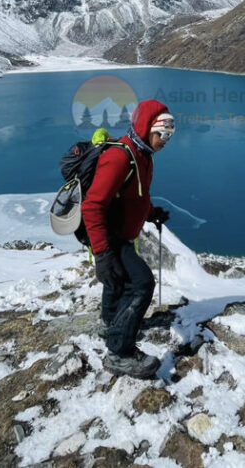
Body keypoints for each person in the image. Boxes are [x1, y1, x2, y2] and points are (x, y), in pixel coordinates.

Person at [81, 99, 174, 379]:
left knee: (118, 281)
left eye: (170, 135)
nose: (166, 141)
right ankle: (119, 353)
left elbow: (136, 196)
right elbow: (92, 205)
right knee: (142, 283)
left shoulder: (143, 155)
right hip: (109, 237)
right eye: (162, 134)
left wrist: (151, 212)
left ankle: (111, 326)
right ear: (147, 129)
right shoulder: (120, 157)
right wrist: (102, 253)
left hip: (120, 235)